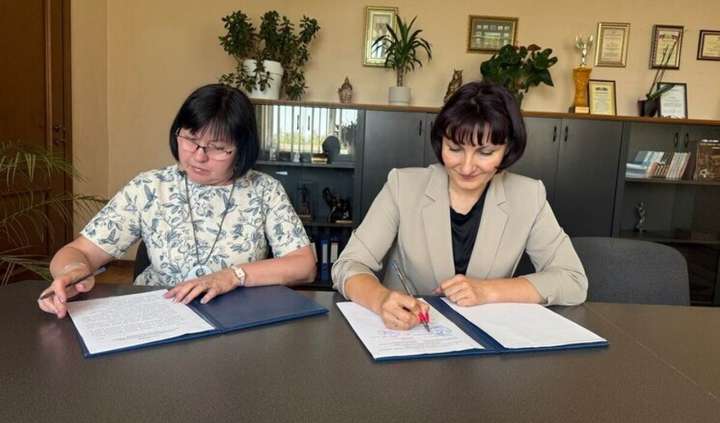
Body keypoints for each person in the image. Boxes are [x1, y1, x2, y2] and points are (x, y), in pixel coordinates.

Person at [38, 84, 316, 318]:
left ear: (242, 149)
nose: (199, 156)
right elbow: (80, 251)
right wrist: (73, 271)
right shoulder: (149, 187)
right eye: (191, 139)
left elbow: (303, 266)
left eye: (218, 148)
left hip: (236, 317)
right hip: (159, 315)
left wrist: (232, 276)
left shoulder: (265, 190)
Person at [332, 82, 587, 331]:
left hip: (487, 338)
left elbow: (572, 280)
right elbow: (349, 265)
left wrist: (487, 291)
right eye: (454, 148)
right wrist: (381, 300)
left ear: (507, 149)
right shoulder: (403, 186)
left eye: (485, 153)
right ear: (441, 142)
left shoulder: (528, 196)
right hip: (409, 334)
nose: (466, 167)